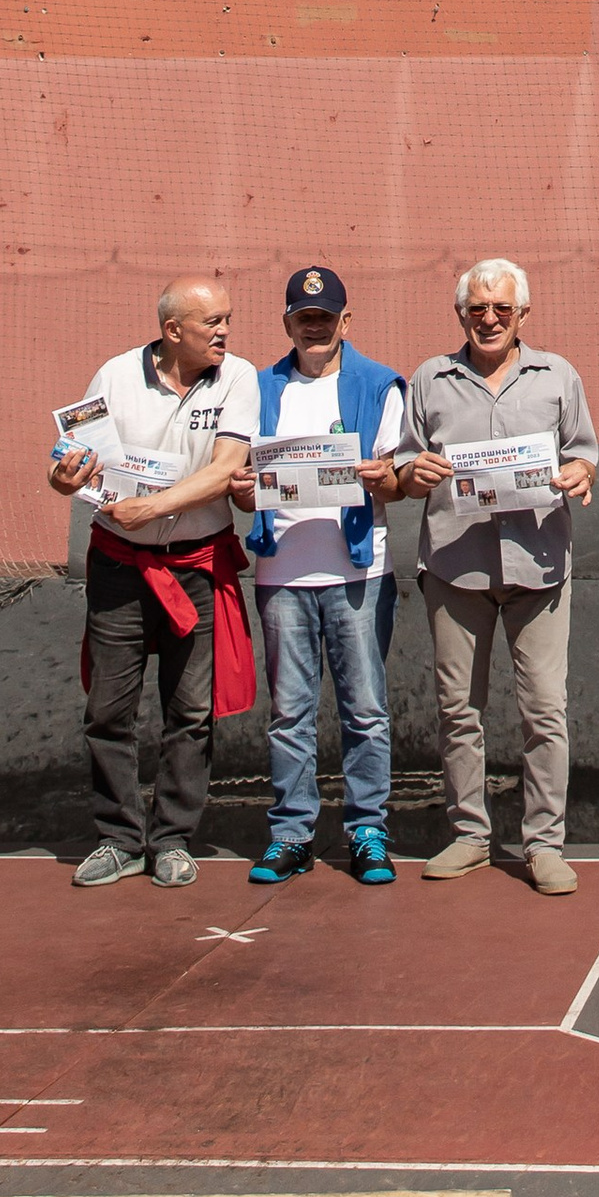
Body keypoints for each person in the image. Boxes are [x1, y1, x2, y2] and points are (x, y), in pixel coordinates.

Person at [49, 275, 259, 889]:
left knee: (189, 712)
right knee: (107, 711)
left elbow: (226, 470)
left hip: (196, 567)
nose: (225, 331)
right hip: (119, 566)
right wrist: (67, 479)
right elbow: (75, 465)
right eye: (211, 322)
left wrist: (155, 506)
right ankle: (118, 838)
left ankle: (172, 839)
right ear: (173, 331)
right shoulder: (113, 376)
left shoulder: (238, 378)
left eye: (226, 319)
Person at [397, 260, 598, 896]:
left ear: (522, 316)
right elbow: (404, 464)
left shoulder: (557, 375)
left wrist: (581, 474)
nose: (488, 319)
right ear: (461, 315)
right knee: (459, 709)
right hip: (456, 568)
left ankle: (544, 844)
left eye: (501, 310)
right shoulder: (431, 378)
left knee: (545, 711)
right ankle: (469, 836)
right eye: (476, 309)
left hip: (539, 567)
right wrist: (414, 473)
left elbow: (584, 452)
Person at [231, 265, 407, 890]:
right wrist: (245, 493)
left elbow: (394, 480)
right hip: (280, 574)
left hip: (359, 572)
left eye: (325, 318)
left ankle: (367, 830)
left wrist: (378, 478)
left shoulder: (382, 385)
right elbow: (242, 481)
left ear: (344, 322)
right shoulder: (255, 388)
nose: (315, 327)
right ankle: (291, 835)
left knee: (365, 710)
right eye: (304, 318)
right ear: (287, 324)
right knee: (290, 714)